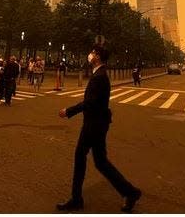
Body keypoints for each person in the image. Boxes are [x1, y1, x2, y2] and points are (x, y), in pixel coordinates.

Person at [57, 45, 141, 213]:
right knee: (101, 162)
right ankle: (130, 192)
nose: (90, 55)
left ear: (98, 56)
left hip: (93, 125)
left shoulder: (99, 77)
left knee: (81, 157)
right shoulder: (100, 74)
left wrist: (69, 111)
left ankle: (76, 198)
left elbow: (90, 103)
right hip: (98, 124)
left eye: (93, 53)